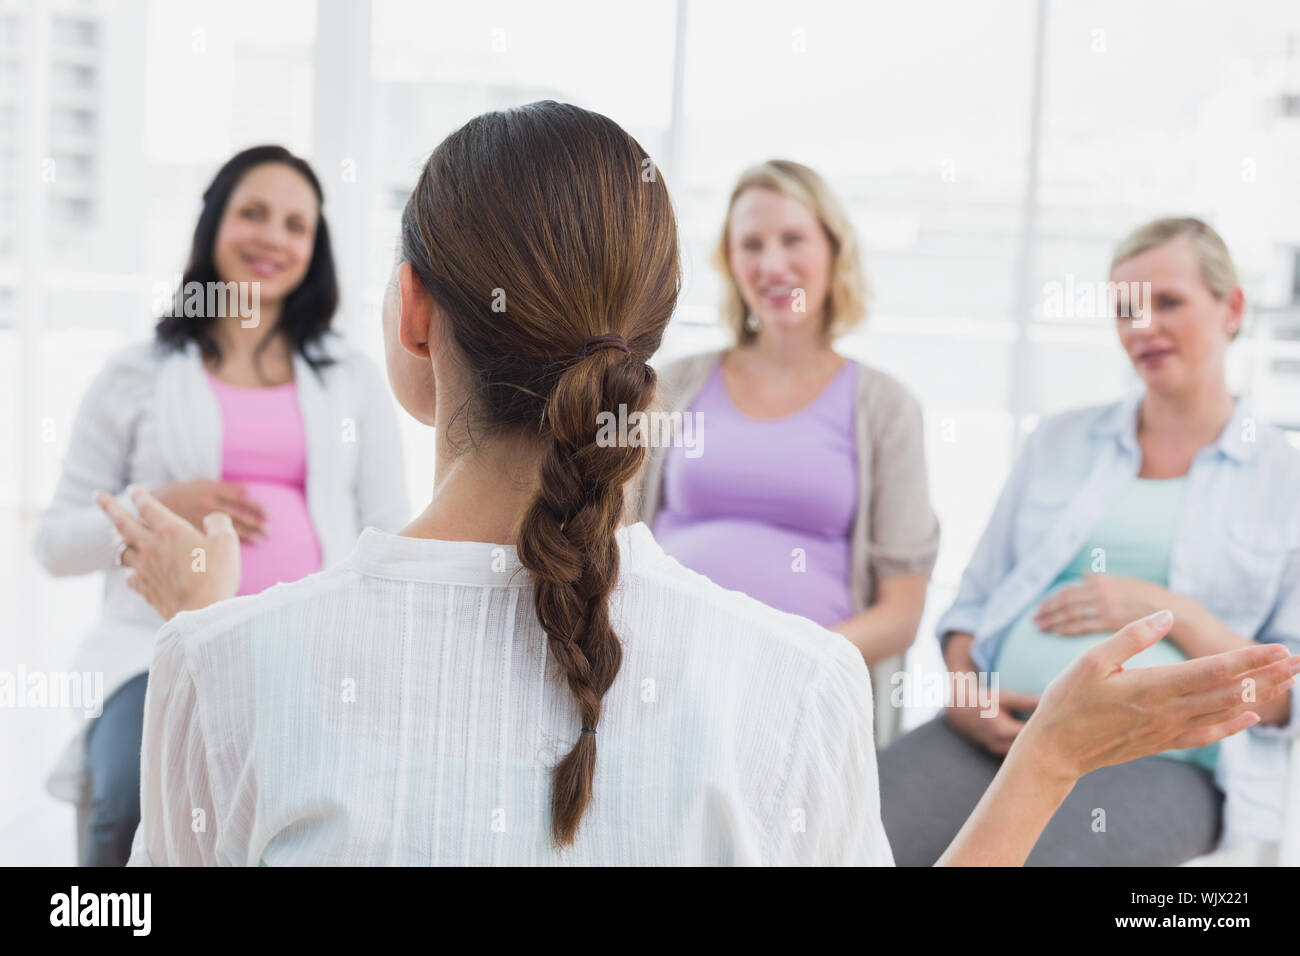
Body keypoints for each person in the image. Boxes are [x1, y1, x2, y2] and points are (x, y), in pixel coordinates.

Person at [97, 104, 1298, 866]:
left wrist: (210, 636)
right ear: (651, 343)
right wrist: (1048, 766)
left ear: (410, 314)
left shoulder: (220, 665)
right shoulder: (799, 687)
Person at [879, 218, 1300, 866]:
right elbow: (974, 601)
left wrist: (1165, 610)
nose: (1141, 327)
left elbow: (1282, 697)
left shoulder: (1284, 478)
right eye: (1125, 309)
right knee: (844, 833)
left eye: (1168, 302)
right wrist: (967, 698)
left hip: (1163, 759)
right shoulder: (1058, 442)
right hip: (999, 735)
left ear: (1232, 308)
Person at [33, 145, 409, 866]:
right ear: (213, 226)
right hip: (153, 650)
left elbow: (389, 529)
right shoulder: (133, 374)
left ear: (314, 248)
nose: (273, 236)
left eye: (296, 224)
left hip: (313, 652)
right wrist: (156, 504)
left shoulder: (355, 380)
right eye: (253, 213)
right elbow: (52, 543)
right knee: (131, 798)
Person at [635, 161, 937, 728]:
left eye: (793, 239)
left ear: (833, 249)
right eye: (751, 244)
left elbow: (901, 613)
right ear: (731, 262)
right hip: (663, 680)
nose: (772, 264)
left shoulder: (886, 406)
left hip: (802, 699)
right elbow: (609, 540)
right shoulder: (670, 386)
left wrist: (787, 665)